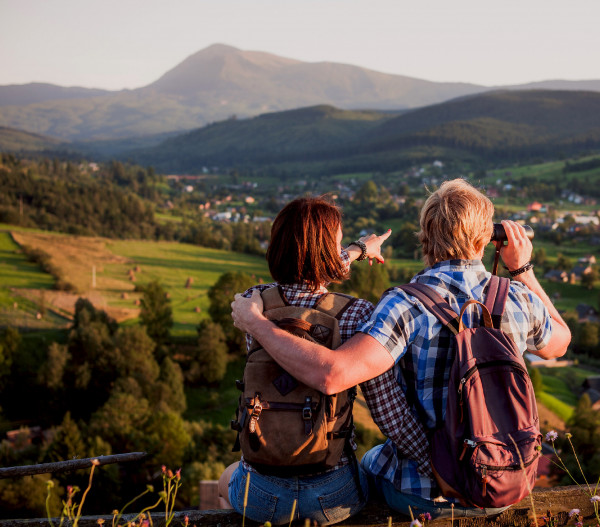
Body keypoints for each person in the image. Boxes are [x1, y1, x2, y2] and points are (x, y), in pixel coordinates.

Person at [231, 179, 571, 519]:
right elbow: (560, 343)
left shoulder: (403, 304)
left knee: (368, 464)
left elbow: (336, 373)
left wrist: (442, 471)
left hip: (421, 495)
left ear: (425, 235)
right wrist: (523, 271)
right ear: (485, 238)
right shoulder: (519, 297)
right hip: (505, 484)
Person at [218, 196, 429, 526]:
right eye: (339, 242)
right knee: (371, 470)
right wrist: (435, 465)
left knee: (225, 479)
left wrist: (359, 247)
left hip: (260, 494)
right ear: (328, 253)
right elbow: (389, 412)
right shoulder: (357, 314)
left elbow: (308, 272)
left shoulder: (253, 303)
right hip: (333, 494)